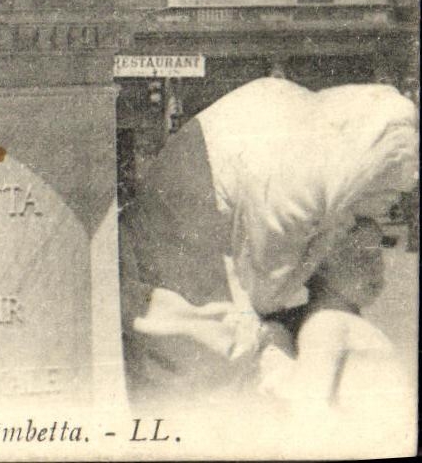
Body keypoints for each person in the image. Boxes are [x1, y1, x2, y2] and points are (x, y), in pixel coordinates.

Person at [119, 76, 418, 401]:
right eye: (389, 191)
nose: (393, 203)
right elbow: (264, 286)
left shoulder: (314, 155)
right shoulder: (297, 181)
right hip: (188, 236)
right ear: (362, 172)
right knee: (214, 352)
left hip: (199, 214)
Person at [259, 217, 414, 451]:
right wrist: (276, 364)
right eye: (362, 256)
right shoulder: (328, 323)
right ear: (318, 266)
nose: (377, 267)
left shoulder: (338, 323)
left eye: (378, 254)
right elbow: (307, 410)